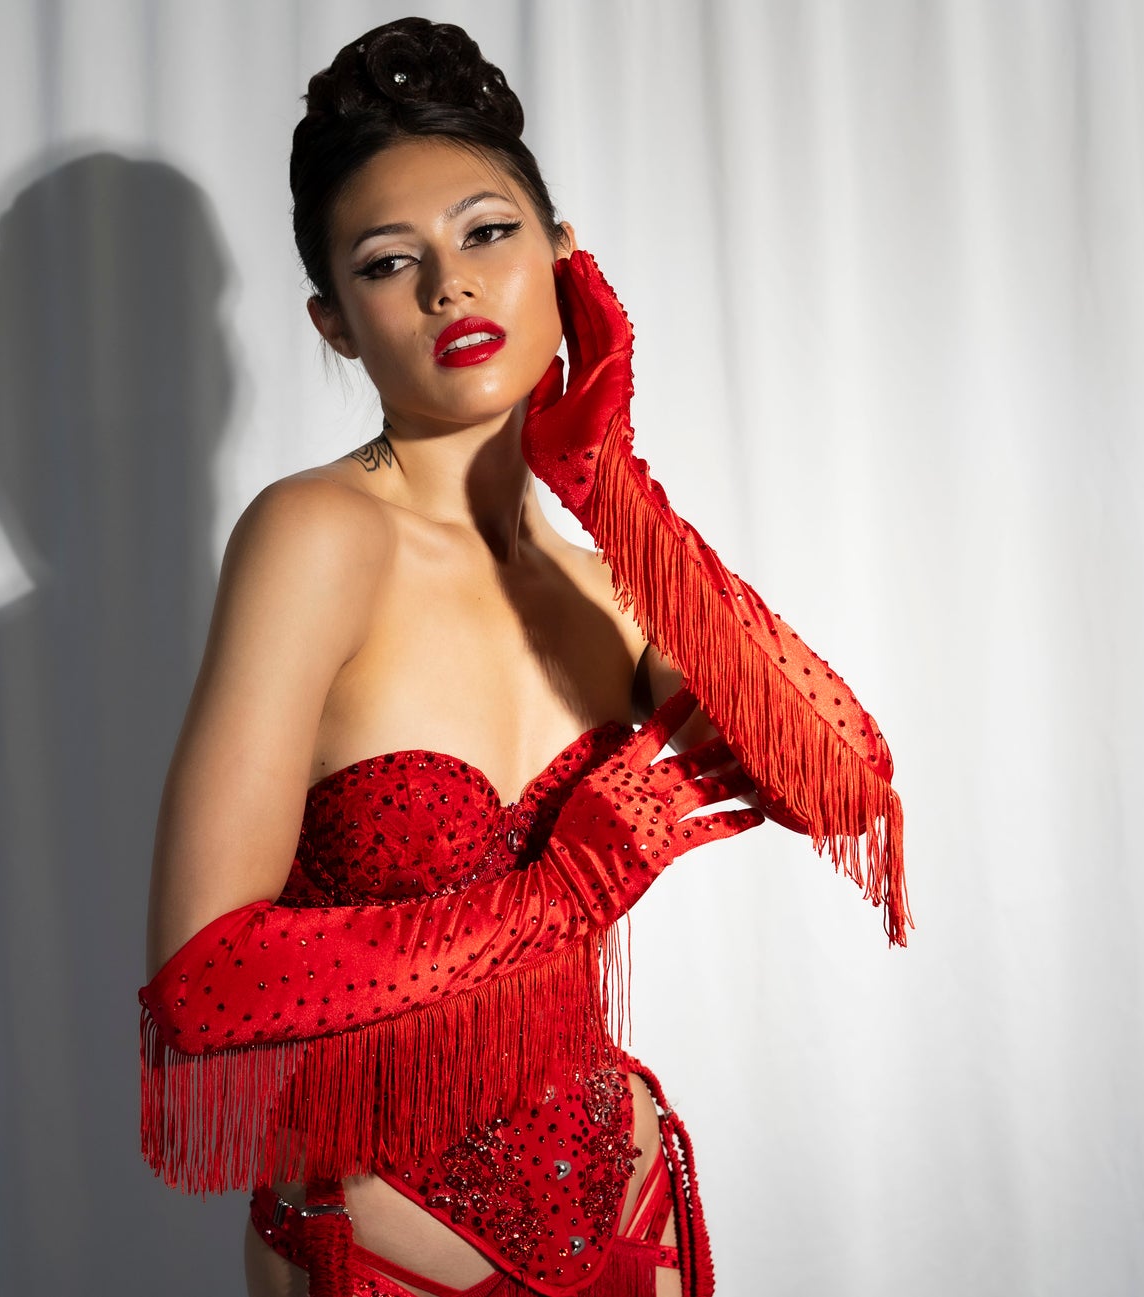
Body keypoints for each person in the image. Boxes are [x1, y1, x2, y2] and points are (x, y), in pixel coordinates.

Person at [141, 18, 910, 1296]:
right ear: (335, 324)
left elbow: (843, 785)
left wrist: (609, 480)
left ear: (566, 260)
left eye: (487, 232)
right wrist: (563, 893)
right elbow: (203, 986)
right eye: (393, 263)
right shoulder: (314, 534)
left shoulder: (611, 578)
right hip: (390, 1256)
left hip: (631, 1220)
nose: (451, 285)